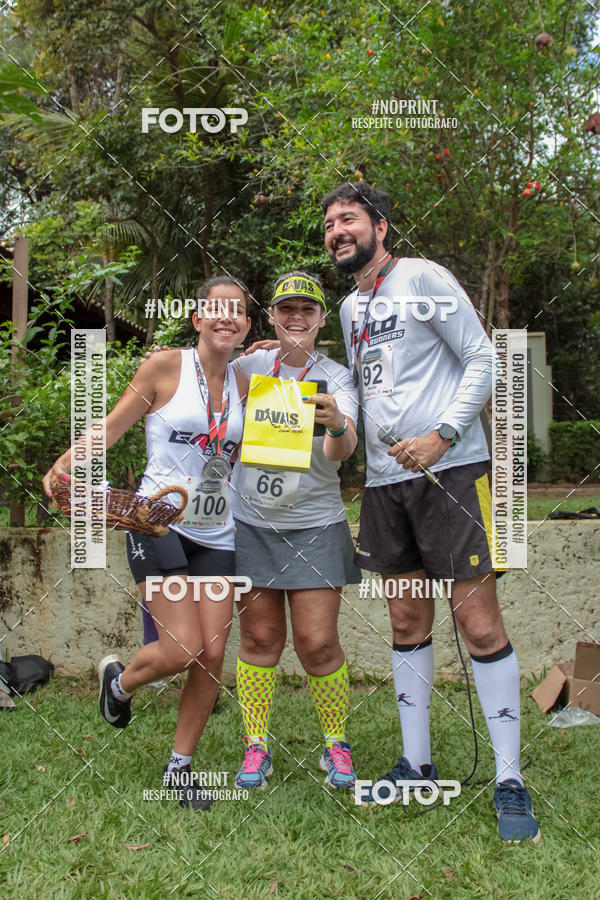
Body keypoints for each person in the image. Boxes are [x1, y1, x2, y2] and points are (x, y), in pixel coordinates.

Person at [321, 182, 540, 842]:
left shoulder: (424, 277)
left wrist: (444, 432)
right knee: (407, 612)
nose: (337, 230)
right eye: (329, 223)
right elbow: (364, 390)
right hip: (386, 487)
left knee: (476, 619)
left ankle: (508, 778)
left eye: (349, 218)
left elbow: (482, 358)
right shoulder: (349, 309)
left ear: (381, 226)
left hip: (455, 471)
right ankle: (416, 763)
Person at [43, 276, 251, 811]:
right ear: (197, 317)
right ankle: (118, 684)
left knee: (211, 655)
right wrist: (69, 461)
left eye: (239, 312)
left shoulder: (249, 380)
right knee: (181, 648)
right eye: (216, 309)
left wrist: (279, 348)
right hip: (155, 521)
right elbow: (111, 429)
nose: (227, 318)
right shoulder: (164, 367)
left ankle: (179, 767)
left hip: (219, 531)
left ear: (248, 325)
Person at [230, 271, 361, 790]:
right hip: (252, 521)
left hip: (316, 522)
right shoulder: (252, 365)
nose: (297, 318)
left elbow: (342, 453)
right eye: (287, 309)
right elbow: (205, 375)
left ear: (321, 318)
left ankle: (336, 745)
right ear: (272, 316)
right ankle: (255, 746)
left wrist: (334, 423)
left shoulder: (339, 377)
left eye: (307, 309)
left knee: (317, 641)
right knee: (260, 638)